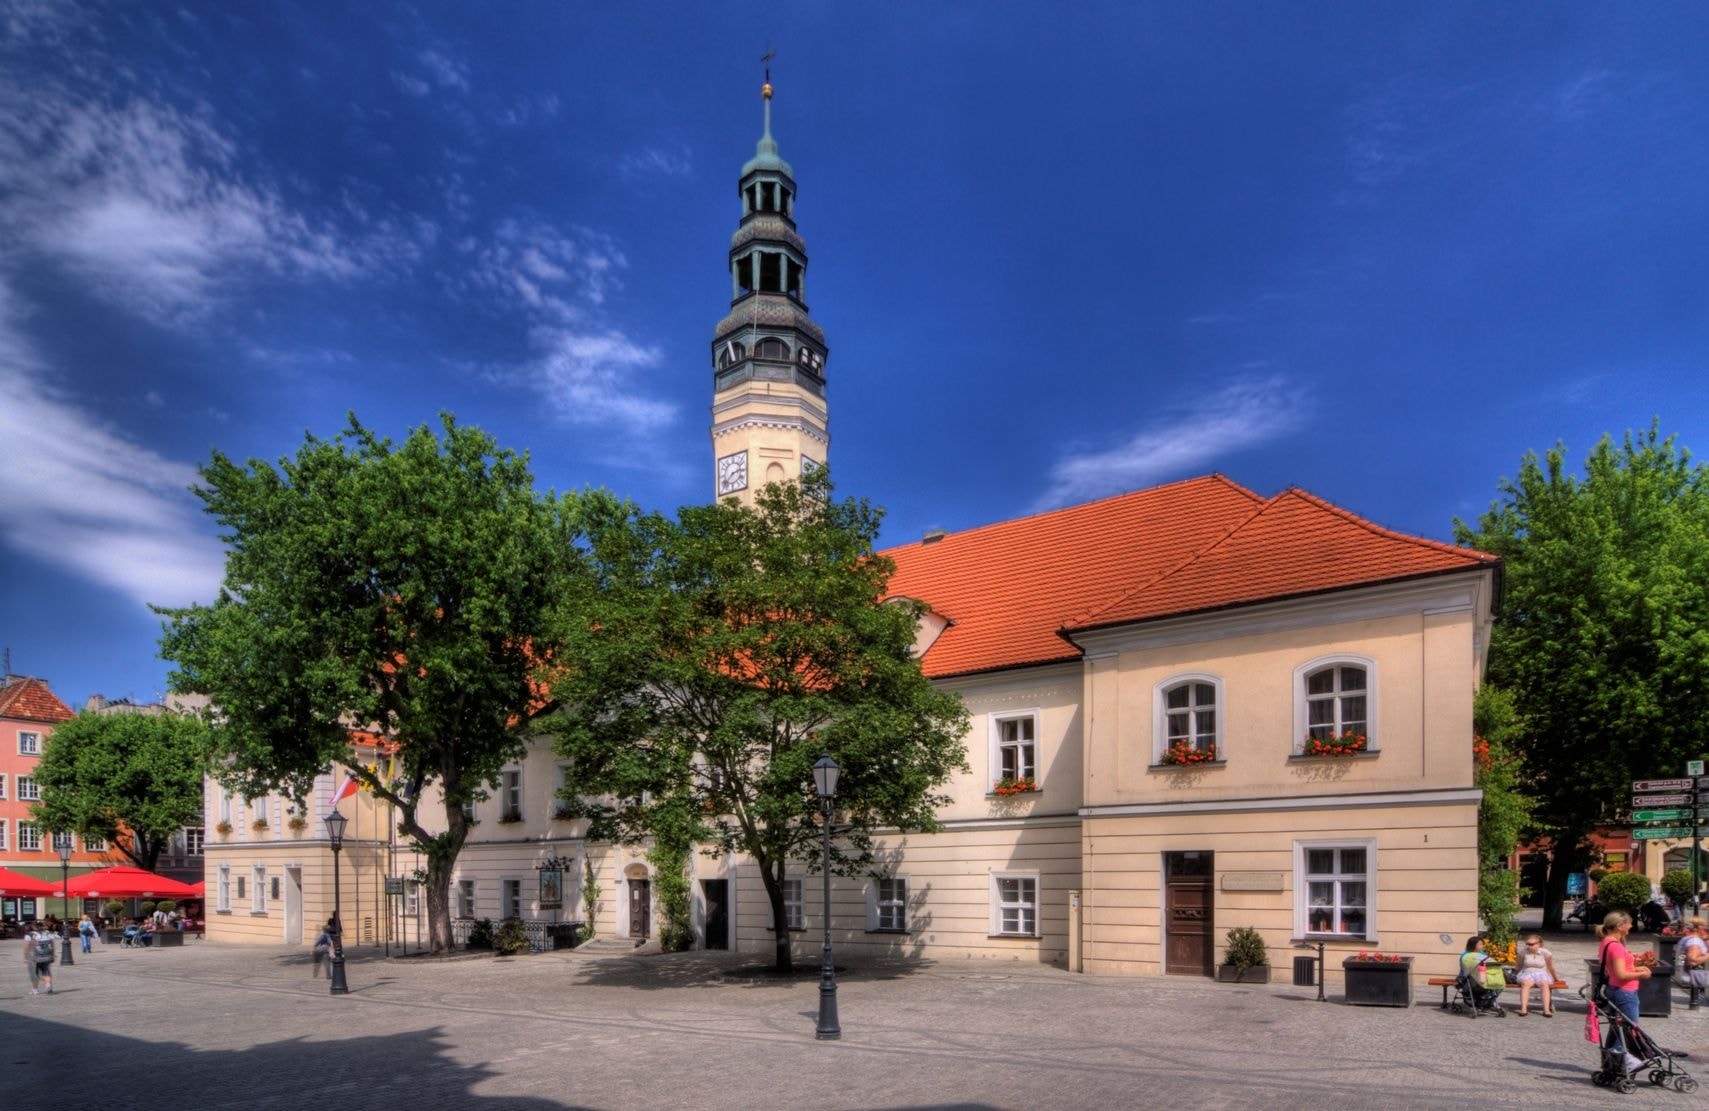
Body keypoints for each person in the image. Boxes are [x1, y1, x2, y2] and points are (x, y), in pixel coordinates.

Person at [1597, 910, 1651, 1074]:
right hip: (1625, 992)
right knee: (1628, 1028)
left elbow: (1611, 970)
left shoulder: (1606, 942)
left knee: (1615, 1029)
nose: (1631, 926)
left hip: (1613, 989)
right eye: (1629, 923)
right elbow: (1621, 974)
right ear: (1620, 926)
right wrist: (1642, 973)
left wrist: (1634, 967)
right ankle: (1626, 1062)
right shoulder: (1617, 947)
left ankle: (1609, 1063)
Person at [1514, 934, 1558, 1016]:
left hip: (1541, 973)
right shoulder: (1523, 952)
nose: (1529, 946)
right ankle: (1523, 1009)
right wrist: (1514, 975)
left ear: (1539, 944)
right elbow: (1519, 966)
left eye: (1531, 944)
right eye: (1527, 944)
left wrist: (1556, 978)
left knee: (1544, 984)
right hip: (1527, 972)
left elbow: (1550, 966)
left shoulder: (1545, 952)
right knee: (1525, 983)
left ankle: (1546, 1010)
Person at [23, 921, 56, 995]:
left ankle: (35, 989)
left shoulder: (29, 935)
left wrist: (25, 957)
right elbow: (53, 944)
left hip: (35, 957)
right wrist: (53, 955)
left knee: (34, 974)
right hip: (47, 956)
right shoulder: (47, 934)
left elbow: (26, 947)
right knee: (46, 971)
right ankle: (48, 985)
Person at [1678, 916, 1709, 993]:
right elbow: (1693, 960)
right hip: (1694, 975)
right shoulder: (1695, 941)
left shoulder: (1687, 939)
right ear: (1700, 929)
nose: (1707, 933)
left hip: (1684, 973)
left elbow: (1682, 958)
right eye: (1706, 930)